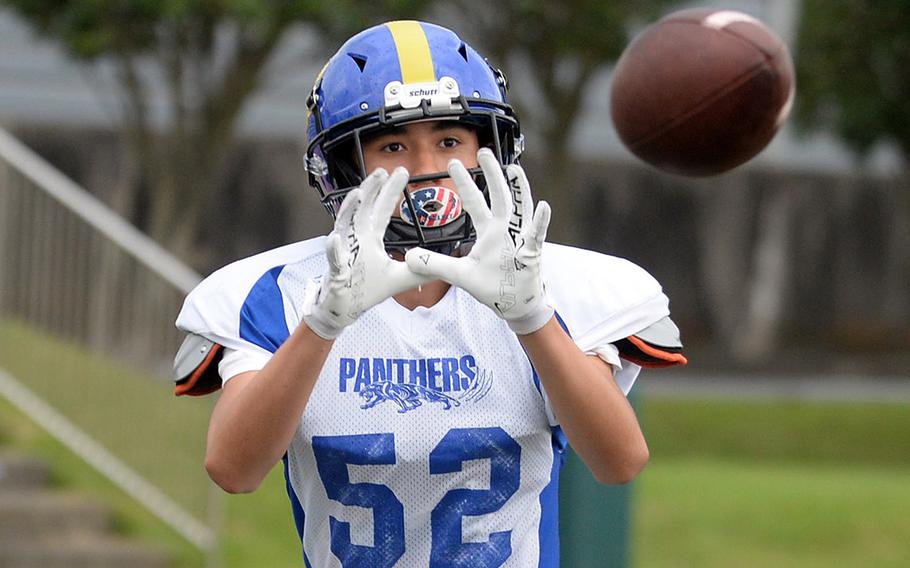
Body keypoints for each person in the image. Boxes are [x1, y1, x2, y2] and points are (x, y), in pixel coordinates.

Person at [173, 20, 687, 567]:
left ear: (490, 149)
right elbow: (233, 470)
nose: (425, 170)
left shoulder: (553, 286)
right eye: (393, 145)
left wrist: (532, 317)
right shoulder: (281, 295)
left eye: (448, 141)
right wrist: (321, 325)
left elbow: (619, 462)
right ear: (345, 166)